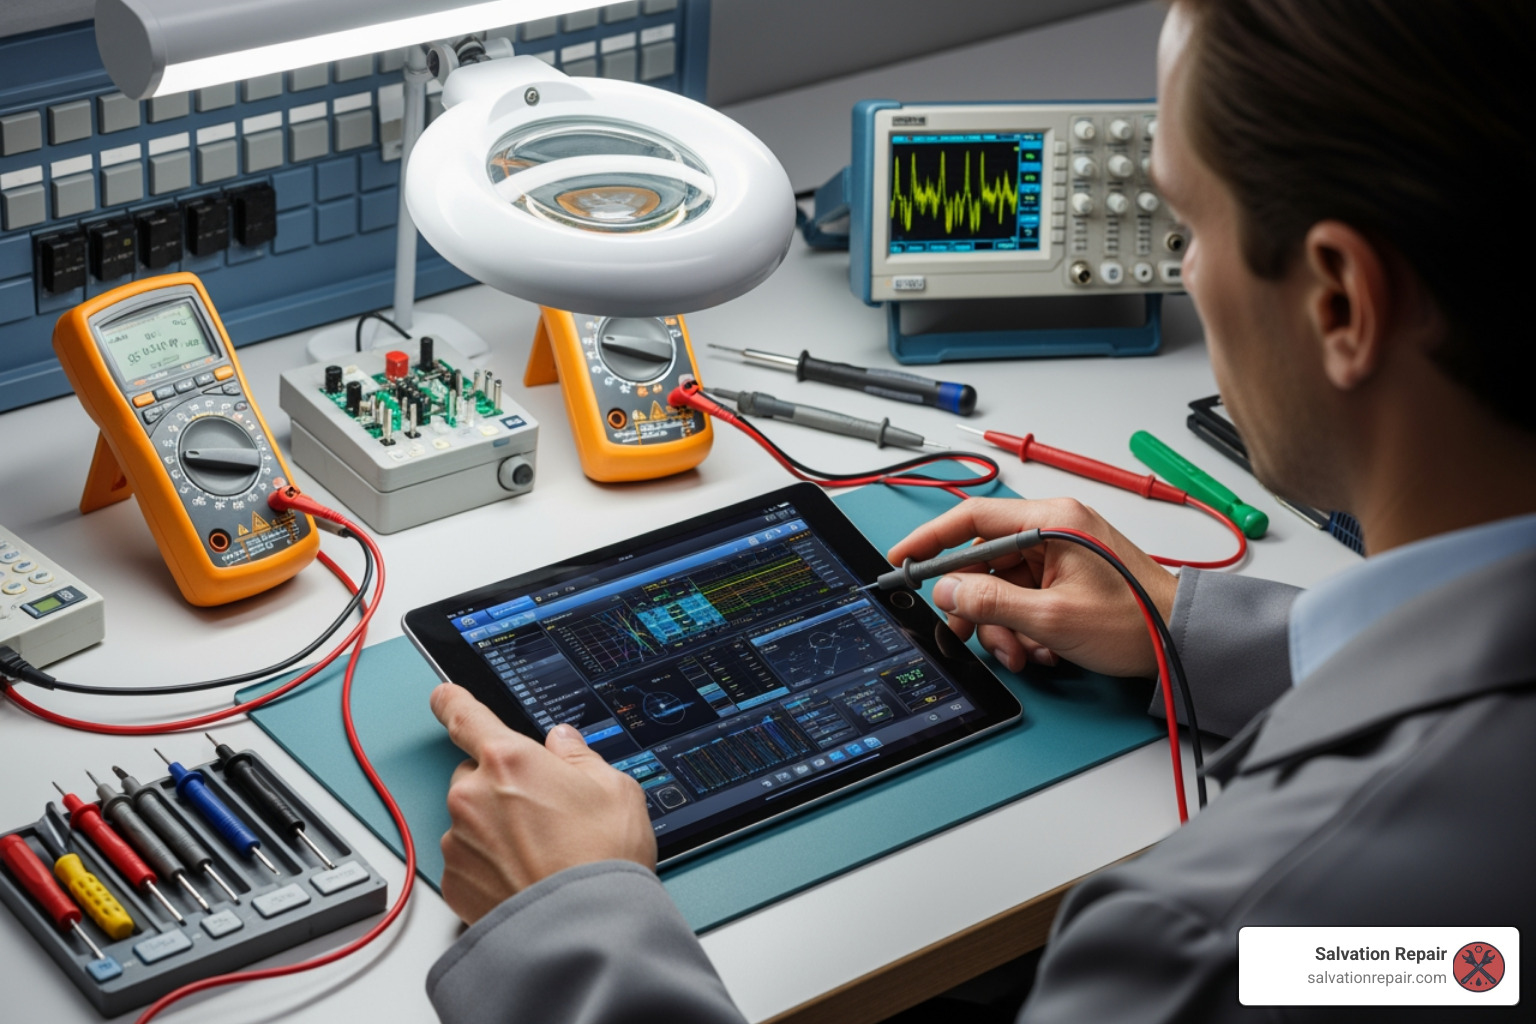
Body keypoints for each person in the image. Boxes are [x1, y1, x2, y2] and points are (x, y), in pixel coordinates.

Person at [423, 1, 1535, 1020]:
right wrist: (1193, 629)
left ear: (1340, 300)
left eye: (1188, 226)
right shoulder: (1422, 943)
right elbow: (1468, 967)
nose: (1184, 272)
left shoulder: (1202, 947)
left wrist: (573, 919)